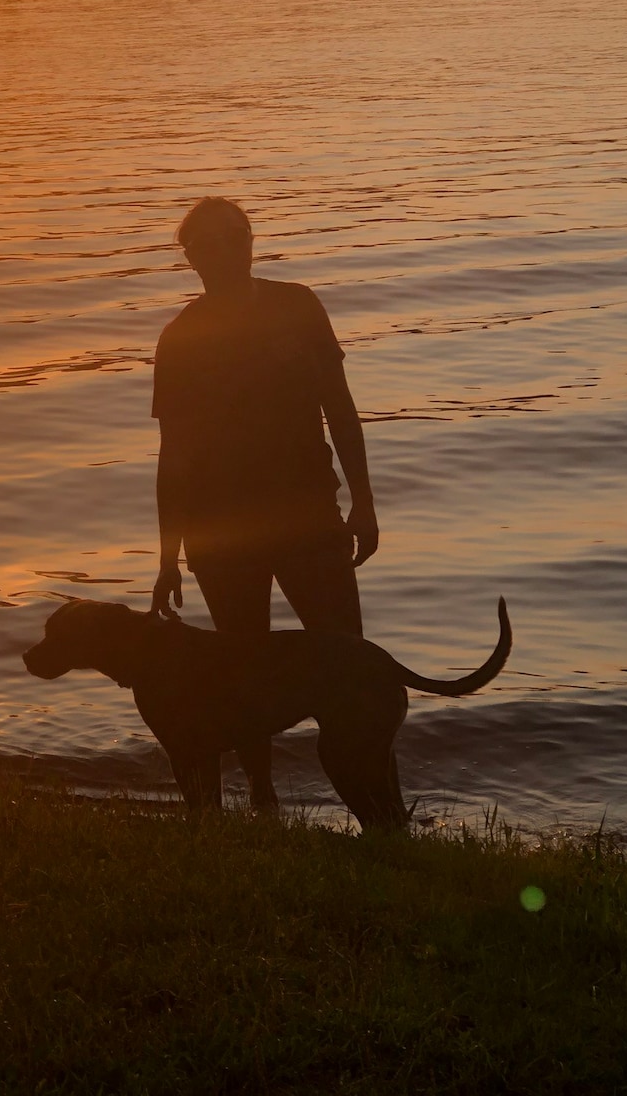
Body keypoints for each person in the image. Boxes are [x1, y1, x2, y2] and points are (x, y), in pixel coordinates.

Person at [150, 195, 379, 809]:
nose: (222, 253)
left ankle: (378, 801)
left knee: (347, 662)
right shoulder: (181, 338)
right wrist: (167, 558)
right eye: (205, 245)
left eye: (233, 239)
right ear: (191, 258)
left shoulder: (297, 306)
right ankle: (262, 797)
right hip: (222, 535)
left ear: (251, 243)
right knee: (241, 674)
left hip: (309, 516)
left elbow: (341, 408)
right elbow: (174, 457)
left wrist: (364, 502)